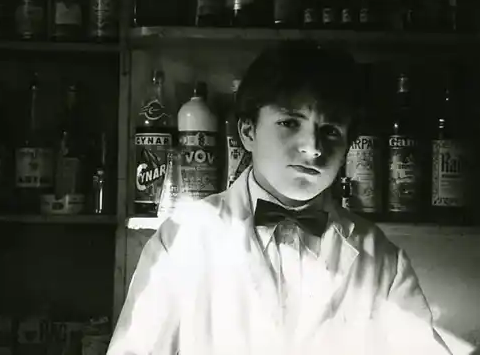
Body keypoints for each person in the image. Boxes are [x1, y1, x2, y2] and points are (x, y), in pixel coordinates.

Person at [107, 41, 453, 355]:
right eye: (290, 123)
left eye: (331, 131)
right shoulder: (183, 238)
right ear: (247, 131)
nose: (313, 148)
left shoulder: (381, 258)